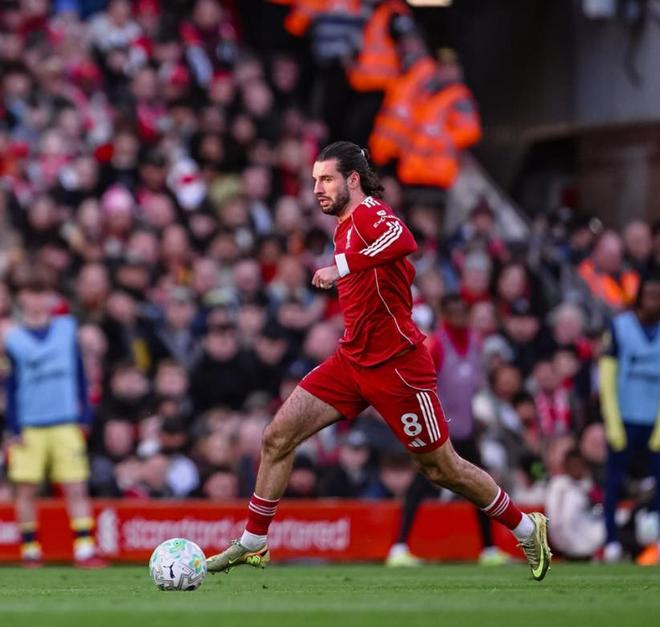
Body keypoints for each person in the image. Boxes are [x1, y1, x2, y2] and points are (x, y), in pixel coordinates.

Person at [206, 141, 551, 581]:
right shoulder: (344, 224)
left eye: (326, 179)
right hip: (352, 361)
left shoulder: (370, 212)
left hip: (398, 366)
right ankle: (254, 541)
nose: (317, 188)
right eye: (314, 180)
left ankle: (526, 528)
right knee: (277, 436)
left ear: (353, 179)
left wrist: (342, 266)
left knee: (442, 468)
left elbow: (404, 240)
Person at [3, 271, 107, 568]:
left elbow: (80, 373)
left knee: (76, 485)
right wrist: (13, 427)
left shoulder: (66, 329)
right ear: (22, 298)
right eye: (32, 293)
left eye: (43, 293)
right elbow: (11, 385)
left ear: (52, 297)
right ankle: (30, 550)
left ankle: (84, 548)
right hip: (30, 425)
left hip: (65, 422)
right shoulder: (14, 339)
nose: (38, 300)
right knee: (26, 489)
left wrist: (85, 415)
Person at [599, 270, 660, 563]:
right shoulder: (619, 327)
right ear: (639, 298)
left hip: (654, 422)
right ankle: (611, 541)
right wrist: (613, 423)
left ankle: (655, 541)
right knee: (613, 483)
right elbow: (607, 379)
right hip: (624, 420)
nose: (655, 302)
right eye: (651, 296)